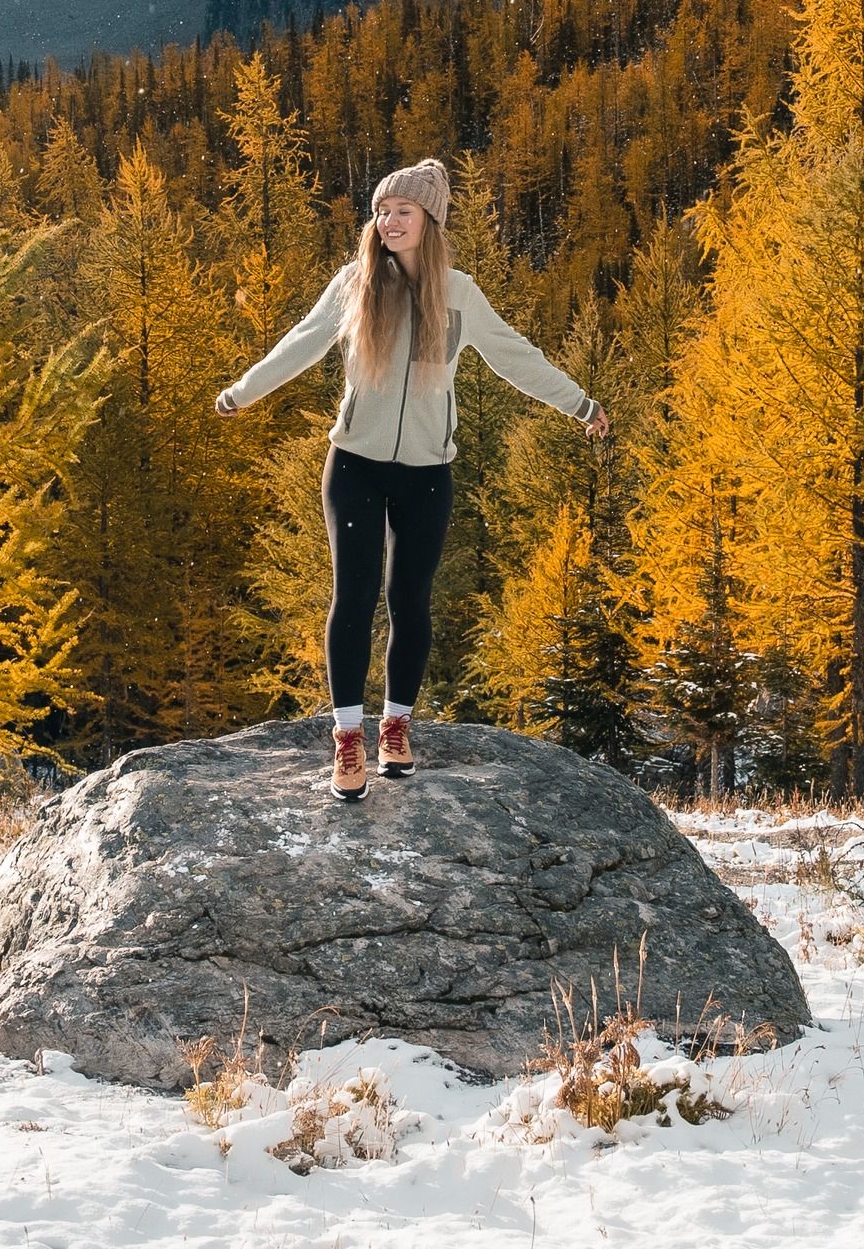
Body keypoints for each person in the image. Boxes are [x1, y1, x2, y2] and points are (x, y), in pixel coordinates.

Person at [215, 157, 608, 802]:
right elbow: (303, 341)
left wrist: (581, 405)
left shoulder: (459, 294)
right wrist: (243, 392)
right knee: (354, 595)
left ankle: (395, 727)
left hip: (427, 472)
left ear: (431, 220)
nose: (389, 221)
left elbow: (515, 357)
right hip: (355, 465)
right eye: (382, 211)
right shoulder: (355, 283)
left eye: (404, 211)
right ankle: (348, 738)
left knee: (409, 601)